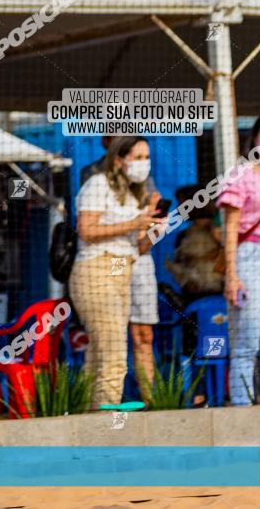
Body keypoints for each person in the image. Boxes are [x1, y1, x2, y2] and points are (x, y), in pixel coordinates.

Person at [70, 136, 163, 407]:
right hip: (96, 269)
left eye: (147, 157)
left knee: (99, 354)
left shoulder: (136, 194)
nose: (144, 164)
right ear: (120, 160)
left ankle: (87, 416)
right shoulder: (98, 184)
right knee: (114, 354)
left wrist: (154, 229)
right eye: (138, 157)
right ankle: (105, 426)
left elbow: (140, 246)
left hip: (123, 270)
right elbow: (86, 231)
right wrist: (134, 222)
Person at [217, 116, 260, 406]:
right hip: (249, 257)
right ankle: (242, 418)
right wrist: (231, 275)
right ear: (255, 138)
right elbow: (230, 228)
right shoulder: (240, 174)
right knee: (247, 340)